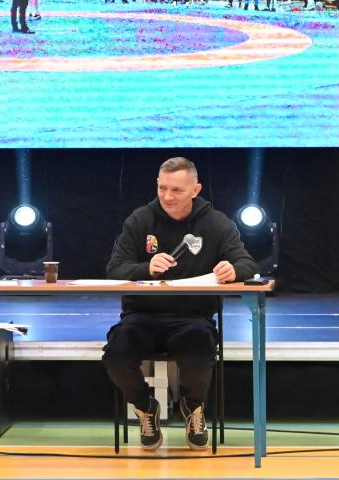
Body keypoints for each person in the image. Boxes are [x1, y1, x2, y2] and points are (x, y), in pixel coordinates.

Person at [103, 157, 259, 452]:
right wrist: (145, 268)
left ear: (195, 190)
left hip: (193, 317)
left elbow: (247, 263)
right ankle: (145, 407)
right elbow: (115, 268)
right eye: (162, 188)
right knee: (115, 355)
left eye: (176, 190)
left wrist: (233, 270)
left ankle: (192, 407)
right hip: (141, 317)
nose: (167, 196)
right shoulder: (139, 220)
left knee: (200, 355)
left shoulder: (216, 223)